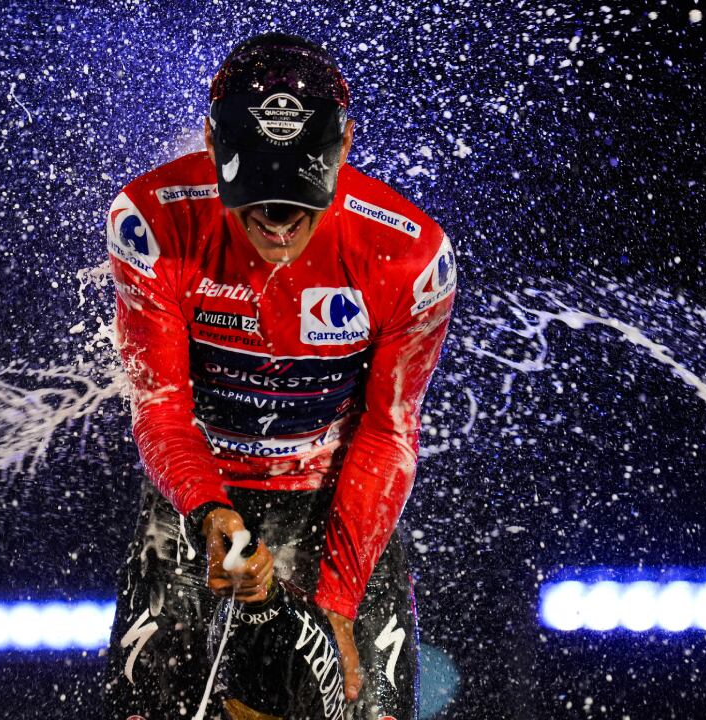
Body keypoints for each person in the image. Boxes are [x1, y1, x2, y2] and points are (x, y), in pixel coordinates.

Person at [101, 32, 457, 720]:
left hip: (335, 509)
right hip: (197, 497)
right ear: (210, 145)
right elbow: (161, 411)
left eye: (299, 187)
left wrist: (338, 602)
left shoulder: (409, 258)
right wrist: (211, 514)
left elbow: (388, 433)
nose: (279, 217)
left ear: (344, 148)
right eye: (257, 186)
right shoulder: (151, 222)